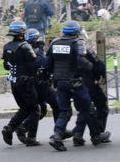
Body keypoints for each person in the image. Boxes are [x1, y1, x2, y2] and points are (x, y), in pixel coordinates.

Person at [47, 21, 109, 151]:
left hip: (60, 82)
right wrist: (90, 67)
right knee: (88, 108)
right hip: (75, 82)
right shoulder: (78, 42)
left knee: (64, 111)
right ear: (76, 32)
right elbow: (82, 60)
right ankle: (96, 136)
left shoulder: (54, 43)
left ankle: (57, 136)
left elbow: (48, 64)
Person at [1, 21, 40, 146]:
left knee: (24, 108)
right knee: (35, 109)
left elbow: (6, 66)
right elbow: (35, 64)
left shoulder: (7, 47)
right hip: (26, 82)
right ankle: (31, 138)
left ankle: (9, 128)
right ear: (22, 33)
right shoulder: (25, 46)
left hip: (13, 81)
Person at [71, 47, 111, 146]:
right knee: (102, 104)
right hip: (89, 83)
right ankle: (99, 132)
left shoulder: (64, 50)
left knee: (84, 109)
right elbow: (99, 66)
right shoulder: (85, 49)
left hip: (73, 84)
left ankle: (78, 134)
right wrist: (101, 76)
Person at [25, 28, 60, 123]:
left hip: (33, 84)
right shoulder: (35, 50)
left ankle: (23, 127)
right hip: (41, 83)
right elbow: (42, 63)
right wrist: (41, 49)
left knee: (42, 109)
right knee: (57, 104)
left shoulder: (25, 48)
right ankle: (59, 131)